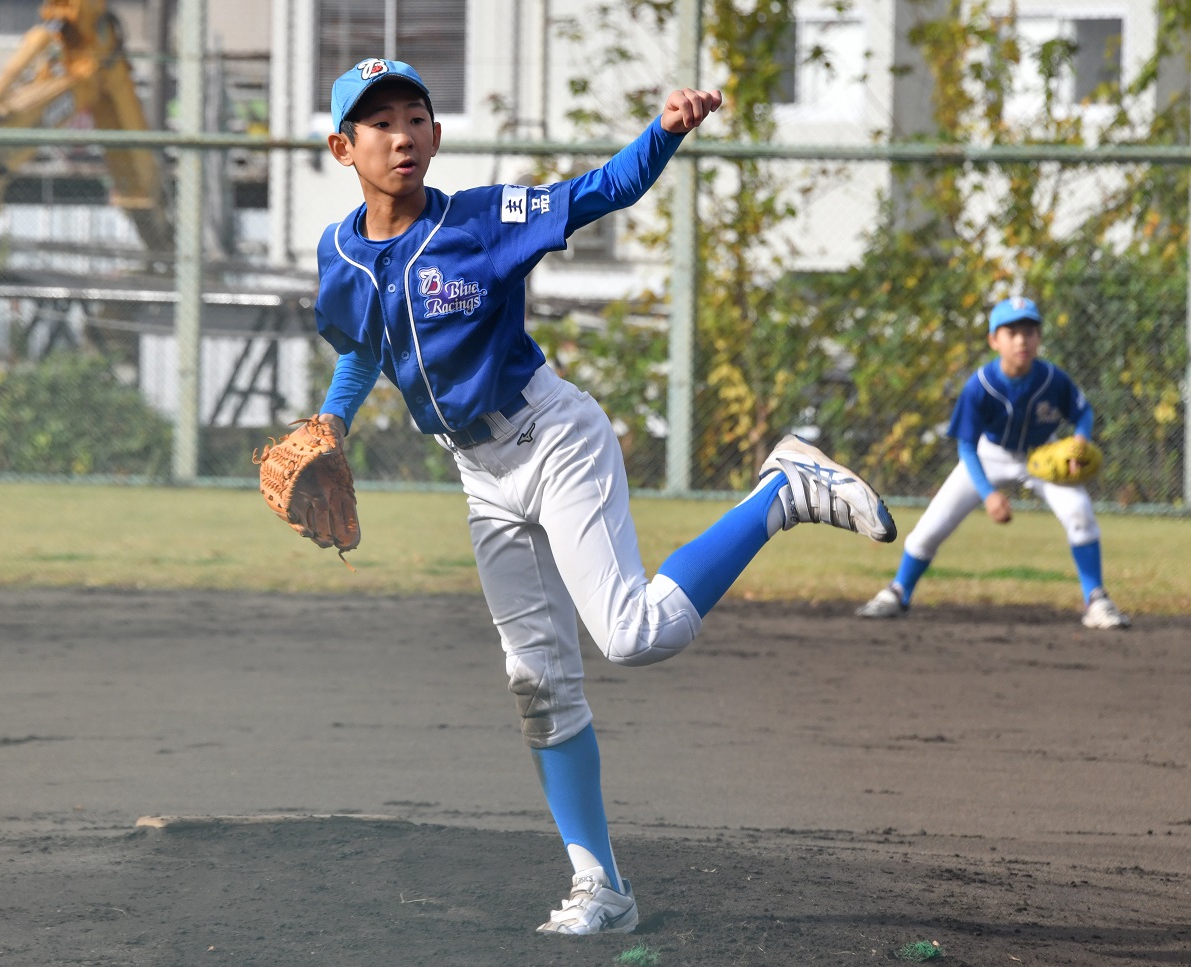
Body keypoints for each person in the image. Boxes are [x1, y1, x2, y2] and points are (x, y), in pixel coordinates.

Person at [309, 57, 898, 936]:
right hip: (480, 475)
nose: (402, 134)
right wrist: (331, 423)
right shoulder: (340, 252)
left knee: (632, 634)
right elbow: (362, 346)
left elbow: (600, 190)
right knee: (536, 681)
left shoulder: (479, 222)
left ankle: (781, 492)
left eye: (416, 116)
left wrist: (664, 132)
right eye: (379, 121)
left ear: (435, 134)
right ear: (342, 147)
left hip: (551, 437)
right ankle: (603, 889)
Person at [856, 296, 1129, 630]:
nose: (1021, 340)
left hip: (1042, 456)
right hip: (988, 455)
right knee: (929, 529)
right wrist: (988, 494)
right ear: (993, 340)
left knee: (1080, 513)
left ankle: (1096, 600)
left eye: (1029, 331)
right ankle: (897, 592)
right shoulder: (980, 386)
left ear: (1039, 337)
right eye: (1011, 332)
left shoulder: (1053, 379)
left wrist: (1080, 439)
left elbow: (1082, 411)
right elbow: (967, 447)